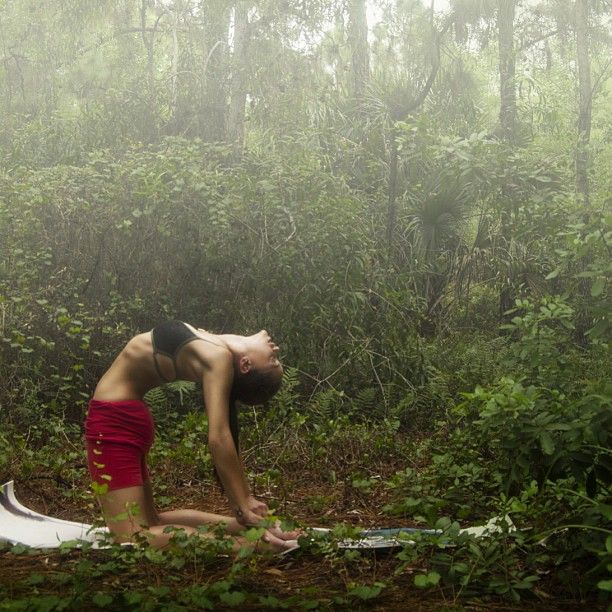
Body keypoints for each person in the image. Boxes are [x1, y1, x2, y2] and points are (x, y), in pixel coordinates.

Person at [84, 320, 299, 552]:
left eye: (272, 361)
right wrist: (244, 500)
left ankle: (248, 544)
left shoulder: (218, 357)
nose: (275, 350)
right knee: (153, 521)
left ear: (245, 364)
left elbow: (219, 436)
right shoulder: (215, 346)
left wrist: (243, 503)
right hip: (127, 417)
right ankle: (259, 529)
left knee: (132, 537)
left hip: (113, 420)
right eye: (276, 359)